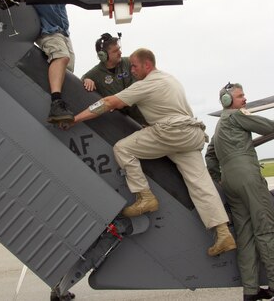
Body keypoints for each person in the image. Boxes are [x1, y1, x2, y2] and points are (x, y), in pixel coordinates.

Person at [61, 48, 236, 257]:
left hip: (171, 132)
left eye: (134, 66)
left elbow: (109, 103)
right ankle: (223, 233)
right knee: (200, 184)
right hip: (191, 135)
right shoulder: (170, 79)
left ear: (147, 65)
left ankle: (144, 197)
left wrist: (75, 119)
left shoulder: (147, 84)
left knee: (123, 148)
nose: (131, 70)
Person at [205, 82, 274, 301]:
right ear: (227, 101)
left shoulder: (219, 127)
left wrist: (218, 179)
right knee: (265, 228)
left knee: (245, 237)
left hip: (230, 183)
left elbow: (210, 156)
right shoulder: (236, 116)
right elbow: (268, 127)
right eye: (240, 96)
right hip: (247, 177)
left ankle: (251, 291)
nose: (245, 99)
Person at [27, 0, 75, 124]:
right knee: (61, 57)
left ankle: (62, 108)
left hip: (63, 33)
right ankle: (55, 102)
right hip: (48, 32)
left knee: (68, 71)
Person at [81, 32, 147, 125]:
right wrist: (86, 80)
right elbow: (81, 83)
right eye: (115, 51)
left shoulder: (129, 62)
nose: (120, 53)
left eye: (119, 49)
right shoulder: (95, 74)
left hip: (145, 116)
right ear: (103, 56)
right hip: (122, 123)